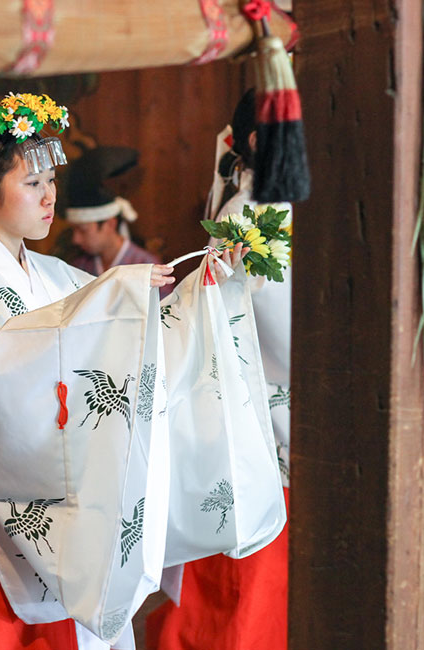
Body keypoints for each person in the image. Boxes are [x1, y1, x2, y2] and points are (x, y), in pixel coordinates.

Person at [0, 93, 275, 650]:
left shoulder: (49, 273)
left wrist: (204, 286)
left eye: (51, 181)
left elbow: (132, 330)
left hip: (57, 476)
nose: (50, 196)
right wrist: (109, 302)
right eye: (32, 183)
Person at [148, 87, 292, 650]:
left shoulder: (273, 210)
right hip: (255, 404)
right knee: (244, 571)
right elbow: (279, 333)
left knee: (261, 570)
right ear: (257, 142)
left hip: (273, 400)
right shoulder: (245, 220)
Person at [64, 146, 165, 288]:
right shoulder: (78, 267)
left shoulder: (148, 267)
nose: (76, 239)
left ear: (110, 224)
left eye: (83, 230)